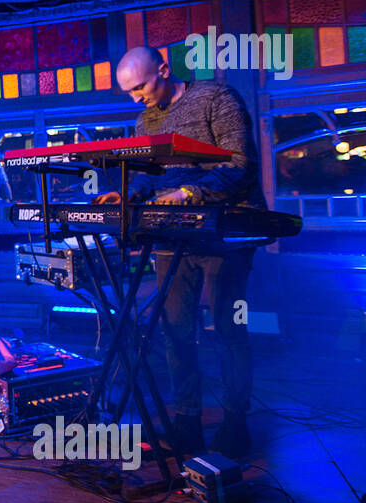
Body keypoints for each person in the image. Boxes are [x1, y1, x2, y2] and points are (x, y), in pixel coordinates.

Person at [94, 46, 264, 458]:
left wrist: (188, 193)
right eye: (128, 91)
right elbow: (148, 179)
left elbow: (240, 164)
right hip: (173, 234)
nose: (136, 97)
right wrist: (129, 193)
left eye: (140, 87)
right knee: (175, 330)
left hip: (224, 228)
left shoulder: (216, 99)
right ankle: (187, 420)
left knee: (228, 328)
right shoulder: (145, 118)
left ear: (165, 70)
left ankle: (236, 422)